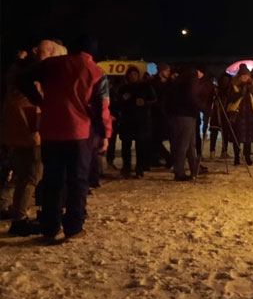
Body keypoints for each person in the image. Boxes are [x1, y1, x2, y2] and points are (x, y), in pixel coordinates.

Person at [21, 35, 112, 242]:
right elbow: (101, 109)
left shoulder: (51, 65)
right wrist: (104, 133)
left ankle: (50, 228)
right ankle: (73, 227)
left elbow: (22, 78)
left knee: (52, 180)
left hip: (51, 130)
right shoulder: (96, 71)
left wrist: (39, 100)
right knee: (77, 181)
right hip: (79, 132)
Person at [1, 39, 57, 235]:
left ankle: (18, 214)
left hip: (18, 129)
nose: (53, 58)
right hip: (29, 130)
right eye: (50, 53)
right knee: (32, 174)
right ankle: (20, 219)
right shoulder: (30, 73)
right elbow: (32, 102)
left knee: (24, 174)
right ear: (36, 51)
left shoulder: (17, 70)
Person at [164, 66, 203, 180]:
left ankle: (194, 169)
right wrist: (204, 108)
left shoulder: (178, 84)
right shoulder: (187, 85)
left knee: (190, 145)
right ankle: (179, 172)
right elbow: (193, 99)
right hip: (186, 116)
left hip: (183, 116)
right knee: (183, 145)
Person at [117, 66, 156, 178]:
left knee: (140, 147)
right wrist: (122, 99)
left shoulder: (145, 86)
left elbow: (154, 99)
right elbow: (117, 102)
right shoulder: (124, 88)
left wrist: (145, 103)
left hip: (141, 121)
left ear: (138, 75)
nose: (133, 76)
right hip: (127, 120)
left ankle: (139, 169)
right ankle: (126, 168)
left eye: (135, 74)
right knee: (126, 147)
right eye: (131, 75)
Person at [227, 65, 253, 165]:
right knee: (237, 137)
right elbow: (230, 98)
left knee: (247, 138)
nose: (245, 77)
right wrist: (241, 93)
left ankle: (247, 156)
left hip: (248, 113)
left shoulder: (251, 85)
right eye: (242, 75)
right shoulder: (234, 85)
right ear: (239, 76)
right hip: (238, 113)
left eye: (246, 75)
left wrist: (249, 90)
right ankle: (236, 157)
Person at [149, 63, 172, 167]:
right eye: (167, 71)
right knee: (155, 139)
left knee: (158, 139)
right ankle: (166, 158)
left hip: (167, 113)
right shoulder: (154, 83)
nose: (169, 73)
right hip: (156, 114)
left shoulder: (169, 83)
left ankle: (160, 158)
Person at [208, 73, 234, 158]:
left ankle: (224, 151)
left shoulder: (230, 90)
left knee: (225, 134)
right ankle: (212, 151)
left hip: (225, 114)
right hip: (217, 114)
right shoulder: (217, 90)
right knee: (214, 133)